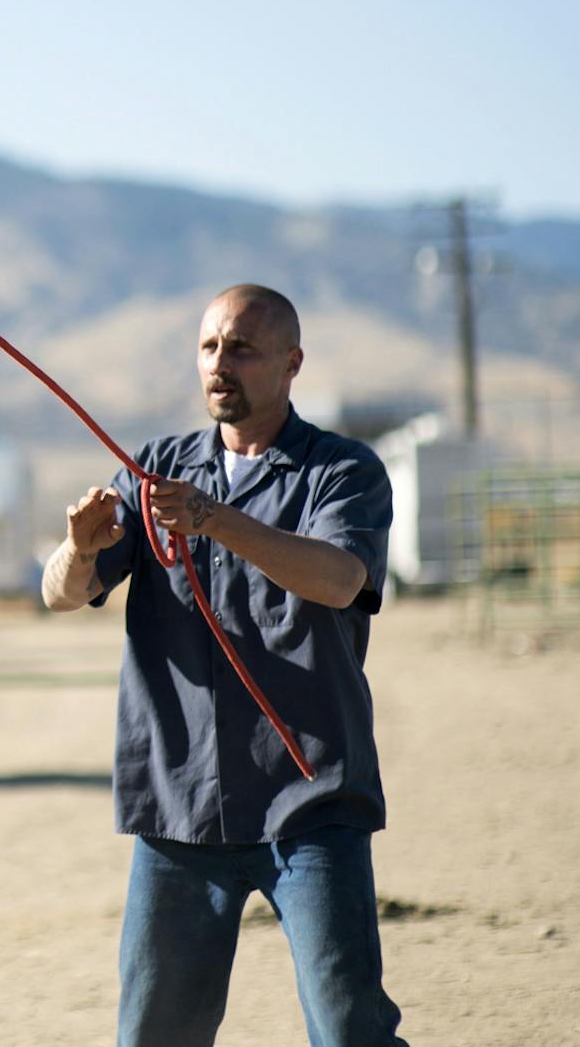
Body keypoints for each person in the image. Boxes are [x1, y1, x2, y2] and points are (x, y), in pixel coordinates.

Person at [42, 284, 406, 1047]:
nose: (220, 364)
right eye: (209, 346)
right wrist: (78, 547)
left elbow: (340, 578)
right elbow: (60, 593)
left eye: (241, 347)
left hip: (309, 802)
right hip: (180, 807)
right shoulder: (152, 471)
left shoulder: (343, 471)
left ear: (291, 362)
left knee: (349, 1029)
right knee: (154, 1035)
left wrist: (215, 518)